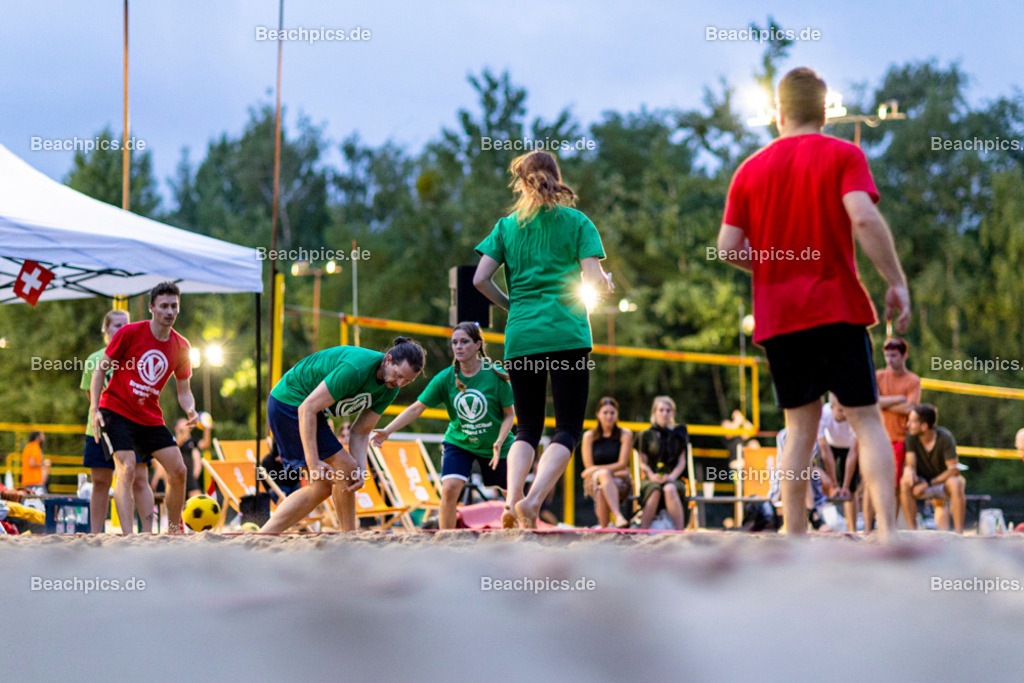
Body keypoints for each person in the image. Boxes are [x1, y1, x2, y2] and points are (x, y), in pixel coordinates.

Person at [717, 66, 911, 541]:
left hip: (780, 317)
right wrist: (896, 282)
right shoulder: (843, 155)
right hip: (838, 307)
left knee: (799, 429)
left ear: (778, 113)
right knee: (866, 419)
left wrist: (771, 266)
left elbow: (726, 247)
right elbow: (863, 219)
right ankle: (887, 530)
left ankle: (795, 535)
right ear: (825, 112)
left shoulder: (750, 170)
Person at [473, 150, 612, 529]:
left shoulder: (507, 227)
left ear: (521, 183)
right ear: (556, 177)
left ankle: (511, 502)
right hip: (566, 334)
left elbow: (479, 279)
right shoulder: (577, 221)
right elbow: (594, 281)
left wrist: (511, 306)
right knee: (566, 428)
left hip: (522, 336)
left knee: (526, 427)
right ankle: (532, 503)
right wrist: (606, 283)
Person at [259, 337, 425, 533]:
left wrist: (360, 471)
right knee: (345, 466)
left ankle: (265, 535)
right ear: (388, 360)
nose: (399, 383)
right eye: (398, 375)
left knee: (322, 487)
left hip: (307, 409)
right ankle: (349, 538)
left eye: (407, 381)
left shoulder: (390, 388)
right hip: (290, 402)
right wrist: (313, 462)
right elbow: (307, 408)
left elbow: (361, 431)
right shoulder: (356, 369)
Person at [371, 322, 515, 529]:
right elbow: (416, 408)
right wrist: (387, 430)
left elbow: (509, 415)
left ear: (477, 345)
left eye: (464, 342)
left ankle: (522, 533)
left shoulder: (495, 375)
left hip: (496, 445)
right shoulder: (446, 378)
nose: (458, 347)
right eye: (454, 342)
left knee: (511, 494)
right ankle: (447, 539)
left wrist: (500, 440)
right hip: (459, 442)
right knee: (449, 489)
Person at [91, 281, 197, 535]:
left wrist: (191, 410)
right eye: (164, 306)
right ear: (151, 308)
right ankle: (128, 537)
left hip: (148, 417)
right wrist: (95, 408)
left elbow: (184, 391)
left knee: (179, 470)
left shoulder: (182, 346)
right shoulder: (129, 332)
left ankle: (173, 529)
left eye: (174, 306)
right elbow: (100, 369)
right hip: (115, 409)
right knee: (126, 467)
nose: (169, 311)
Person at [81, 310, 155, 533]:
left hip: (135, 425)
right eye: (116, 325)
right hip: (100, 427)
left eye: (125, 324)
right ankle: (95, 533)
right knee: (100, 482)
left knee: (140, 479)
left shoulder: (139, 356)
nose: (121, 328)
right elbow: (90, 394)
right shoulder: (95, 358)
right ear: (106, 330)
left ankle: (148, 532)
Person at [900, 404, 966, 533]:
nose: (908, 424)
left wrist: (928, 484)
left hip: (941, 481)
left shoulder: (945, 437)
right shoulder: (911, 437)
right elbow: (911, 463)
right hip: (923, 480)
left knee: (956, 482)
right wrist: (910, 471)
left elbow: (953, 470)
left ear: (924, 426)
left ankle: (959, 533)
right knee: (904, 483)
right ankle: (912, 531)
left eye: (912, 421)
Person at [636, 396, 689, 530]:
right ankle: (643, 531)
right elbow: (642, 463)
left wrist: (671, 477)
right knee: (654, 489)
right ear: (654, 412)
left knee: (669, 488)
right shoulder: (646, 434)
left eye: (668, 410)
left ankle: (679, 532)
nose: (665, 413)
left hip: (674, 478)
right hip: (651, 478)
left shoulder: (679, 434)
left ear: (673, 413)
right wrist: (651, 475)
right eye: (661, 410)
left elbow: (682, 462)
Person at [580, 397, 633, 528]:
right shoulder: (589, 436)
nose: (609, 416)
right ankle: (618, 516)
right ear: (598, 414)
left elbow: (623, 463)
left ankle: (604, 528)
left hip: (620, 481)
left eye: (612, 413)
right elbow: (588, 466)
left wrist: (597, 470)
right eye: (605, 413)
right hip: (601, 478)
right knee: (602, 479)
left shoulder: (625, 434)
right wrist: (606, 472)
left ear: (617, 415)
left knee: (602, 487)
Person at [817, 394, 860, 532]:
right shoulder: (823, 414)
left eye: (846, 410)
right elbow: (825, 451)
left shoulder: (854, 415)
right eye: (840, 410)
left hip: (848, 447)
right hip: (830, 446)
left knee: (852, 491)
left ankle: (852, 528)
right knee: (824, 483)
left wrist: (845, 486)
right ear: (832, 407)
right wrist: (834, 485)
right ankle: (823, 523)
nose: (844, 414)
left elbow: (853, 452)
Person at [153, 418, 210, 501]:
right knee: (176, 502)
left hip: (189, 475)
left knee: (198, 501)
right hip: (176, 475)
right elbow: (177, 444)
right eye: (184, 424)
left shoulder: (191, 441)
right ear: (177, 429)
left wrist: (207, 428)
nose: (187, 426)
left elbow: (205, 445)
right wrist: (186, 432)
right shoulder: (171, 439)